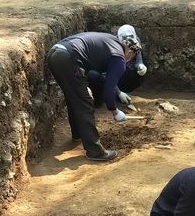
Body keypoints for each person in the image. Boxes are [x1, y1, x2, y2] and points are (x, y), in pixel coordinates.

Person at [46, 27, 143, 162]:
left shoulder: (111, 42)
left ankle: (78, 134)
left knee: (74, 97)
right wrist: (115, 111)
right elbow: (108, 90)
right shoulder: (120, 57)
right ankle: (95, 151)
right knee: (84, 104)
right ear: (130, 52)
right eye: (132, 57)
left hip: (56, 53)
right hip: (68, 58)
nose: (130, 60)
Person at [89, 25, 148, 109]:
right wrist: (119, 93)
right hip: (100, 72)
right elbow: (106, 74)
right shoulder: (112, 47)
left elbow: (138, 58)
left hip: (115, 73)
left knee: (135, 74)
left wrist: (140, 65)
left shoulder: (134, 42)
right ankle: (103, 98)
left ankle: (116, 94)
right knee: (93, 75)